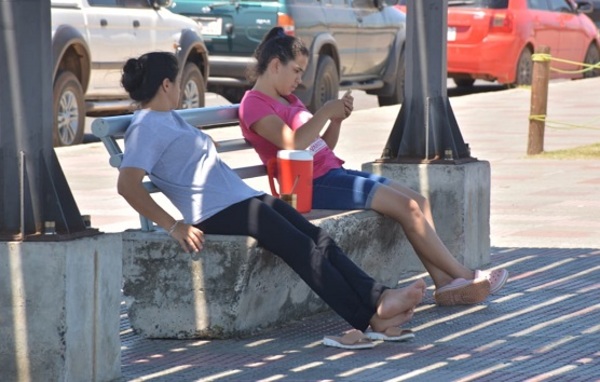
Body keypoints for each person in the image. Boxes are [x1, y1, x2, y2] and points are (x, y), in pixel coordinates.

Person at [117, 51, 426, 348]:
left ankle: (379, 298)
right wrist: (174, 226)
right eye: (179, 81)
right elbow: (128, 185)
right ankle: (372, 315)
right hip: (217, 210)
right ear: (166, 84)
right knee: (301, 249)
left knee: (318, 237)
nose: (182, 88)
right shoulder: (145, 127)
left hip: (242, 198)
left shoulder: (168, 118)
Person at [239, 27, 509, 306]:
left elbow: (321, 147)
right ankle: (464, 274)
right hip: (311, 185)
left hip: (333, 174)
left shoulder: (288, 99)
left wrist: (335, 120)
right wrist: (324, 112)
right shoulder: (254, 105)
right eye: (296, 71)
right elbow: (293, 143)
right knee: (408, 208)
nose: (300, 79)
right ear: (274, 65)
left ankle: (444, 284)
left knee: (418, 201)